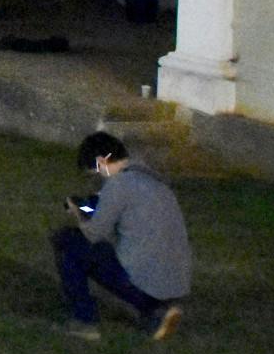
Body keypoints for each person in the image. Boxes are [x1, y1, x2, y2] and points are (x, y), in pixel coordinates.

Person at [51, 130, 190, 342]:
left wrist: (78, 213)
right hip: (176, 280)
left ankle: (84, 320)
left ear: (101, 161)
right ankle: (157, 312)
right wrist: (87, 206)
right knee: (107, 252)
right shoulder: (152, 180)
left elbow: (94, 233)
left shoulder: (118, 185)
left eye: (94, 172)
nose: (97, 179)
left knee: (67, 240)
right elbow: (109, 207)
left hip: (145, 277)